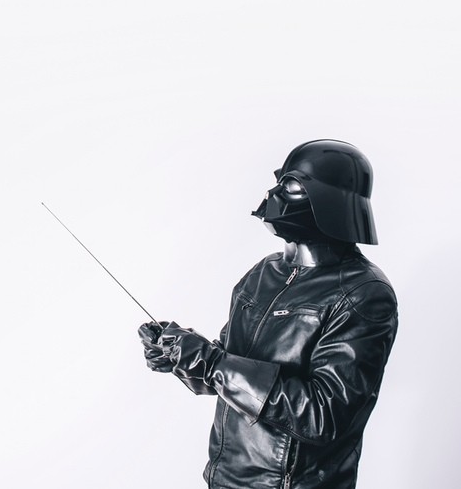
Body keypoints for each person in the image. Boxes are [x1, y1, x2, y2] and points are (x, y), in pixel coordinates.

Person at [139, 139, 398, 489]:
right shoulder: (265, 272)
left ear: (332, 201)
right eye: (278, 183)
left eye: (291, 186)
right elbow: (228, 371)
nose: (274, 195)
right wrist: (179, 355)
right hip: (225, 479)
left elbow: (323, 415)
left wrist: (212, 363)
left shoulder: (363, 294)